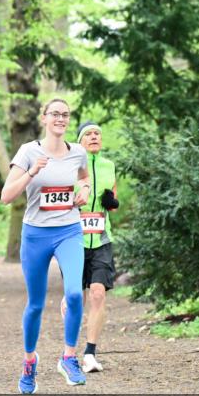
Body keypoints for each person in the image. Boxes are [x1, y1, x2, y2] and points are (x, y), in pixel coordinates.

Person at [1, 98, 91, 394]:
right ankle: (29, 362)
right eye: (55, 114)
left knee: (75, 293)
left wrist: (84, 190)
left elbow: (84, 178)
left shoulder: (77, 152)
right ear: (44, 118)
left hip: (69, 231)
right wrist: (31, 173)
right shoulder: (29, 152)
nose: (60, 119)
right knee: (36, 304)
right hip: (36, 234)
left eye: (65, 115)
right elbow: (6, 196)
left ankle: (69, 357)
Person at [62, 121, 119, 373]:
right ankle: (69, 350)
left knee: (97, 293)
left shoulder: (109, 166)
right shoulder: (70, 166)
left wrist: (112, 202)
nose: (94, 137)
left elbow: (113, 203)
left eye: (97, 133)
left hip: (102, 239)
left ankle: (90, 353)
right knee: (77, 297)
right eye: (89, 134)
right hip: (74, 239)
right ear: (80, 141)